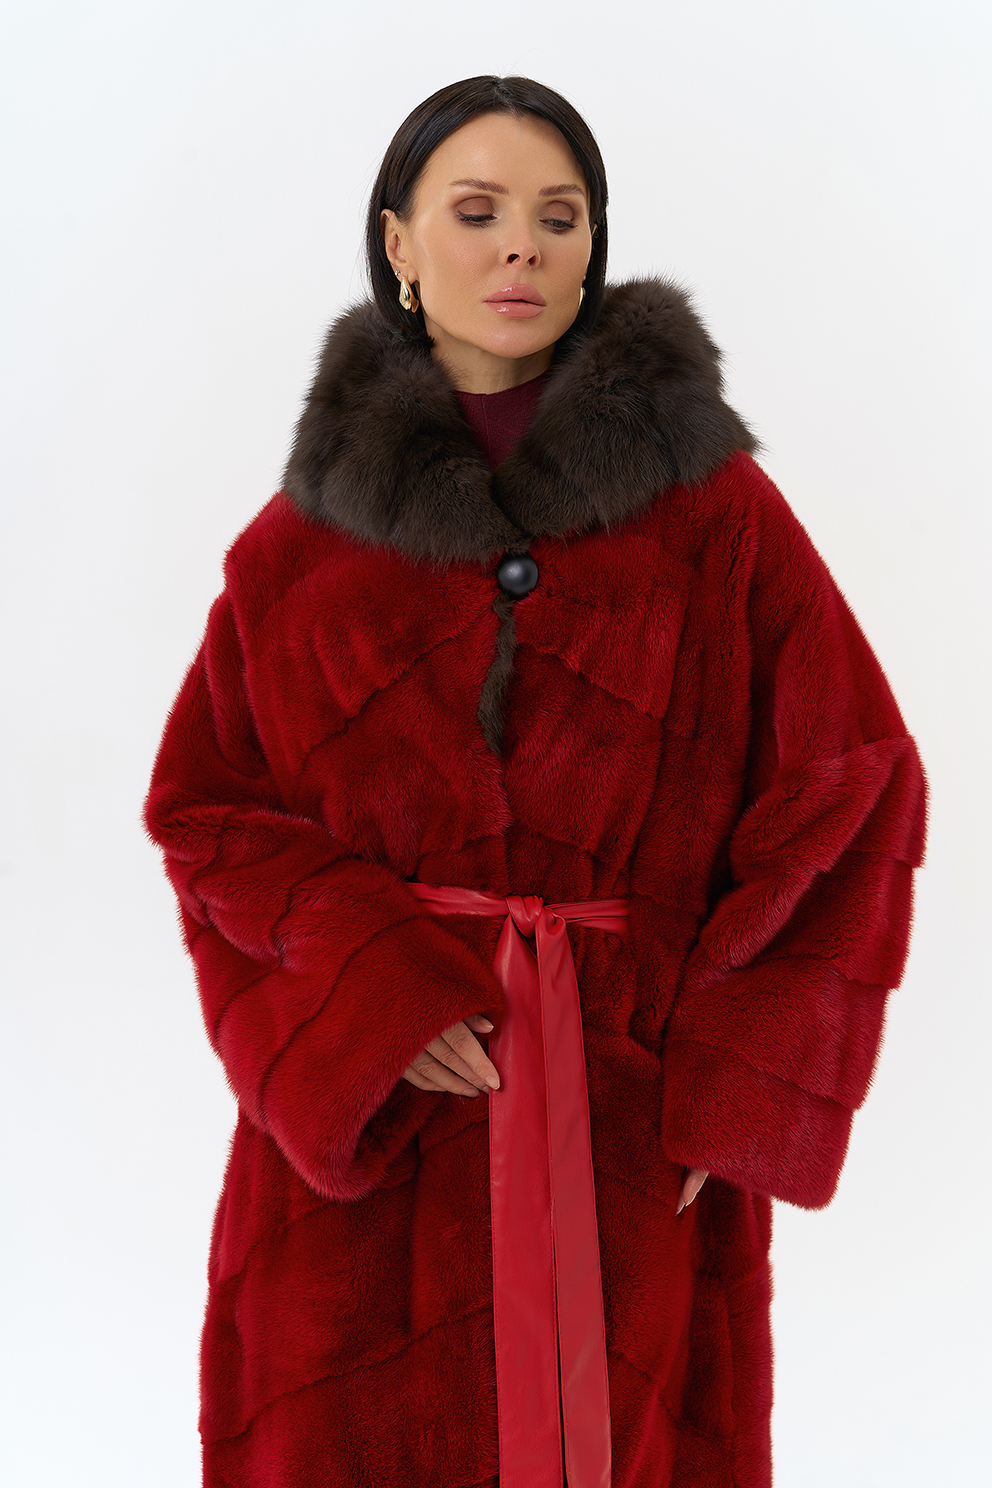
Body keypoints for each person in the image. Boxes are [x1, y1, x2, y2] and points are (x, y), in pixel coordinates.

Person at [144, 75, 926, 1488]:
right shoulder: (300, 542)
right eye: (479, 211)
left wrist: (737, 1083)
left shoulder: (712, 513)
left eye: (560, 218)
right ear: (399, 242)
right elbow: (207, 814)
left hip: (624, 1125)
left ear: (592, 248)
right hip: (377, 1146)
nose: (523, 246)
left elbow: (854, 780)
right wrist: (366, 992)